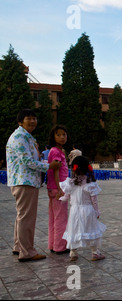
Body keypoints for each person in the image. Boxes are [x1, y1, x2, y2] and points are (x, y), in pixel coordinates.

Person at [6, 109, 61, 262]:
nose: (32, 121)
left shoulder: (26, 137)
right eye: (29, 118)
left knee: (21, 216)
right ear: (20, 121)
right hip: (25, 181)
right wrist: (49, 166)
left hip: (25, 181)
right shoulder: (20, 137)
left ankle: (19, 247)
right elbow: (27, 162)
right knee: (27, 218)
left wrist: (48, 163)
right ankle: (27, 252)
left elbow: (32, 159)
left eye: (34, 118)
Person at [59, 156, 106, 262]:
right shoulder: (90, 183)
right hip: (88, 210)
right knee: (92, 229)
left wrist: (60, 199)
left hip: (74, 210)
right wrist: (97, 211)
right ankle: (94, 252)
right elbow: (94, 200)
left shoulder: (70, 183)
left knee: (74, 229)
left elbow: (66, 197)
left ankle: (73, 252)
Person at [46, 125, 70, 254]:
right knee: (61, 218)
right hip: (58, 188)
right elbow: (55, 170)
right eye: (58, 134)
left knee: (54, 218)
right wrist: (60, 188)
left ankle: (53, 244)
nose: (62, 137)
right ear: (53, 137)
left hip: (53, 188)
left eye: (64, 134)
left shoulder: (58, 151)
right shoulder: (56, 151)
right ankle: (60, 247)